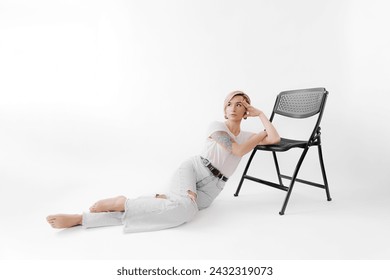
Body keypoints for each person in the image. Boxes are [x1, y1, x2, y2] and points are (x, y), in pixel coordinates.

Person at [46, 91, 280, 233]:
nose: (233, 107)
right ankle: (121, 203)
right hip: (194, 169)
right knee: (183, 213)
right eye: (229, 103)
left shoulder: (249, 136)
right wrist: (259, 136)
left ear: (245, 110)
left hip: (213, 189)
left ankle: (84, 218)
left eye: (239, 104)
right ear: (224, 108)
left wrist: (260, 115)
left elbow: (275, 138)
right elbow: (238, 150)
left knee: (166, 210)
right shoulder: (216, 127)